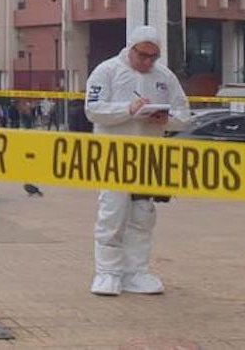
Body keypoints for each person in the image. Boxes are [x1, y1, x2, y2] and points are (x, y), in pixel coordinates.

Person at [84, 25, 190, 297]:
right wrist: (128, 110)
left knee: (143, 216)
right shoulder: (106, 71)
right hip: (114, 156)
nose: (147, 62)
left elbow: (183, 114)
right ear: (130, 49)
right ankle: (107, 272)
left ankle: (136, 272)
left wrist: (166, 119)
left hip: (147, 158)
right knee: (112, 214)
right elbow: (93, 110)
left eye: (153, 57)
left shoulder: (165, 77)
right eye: (142, 55)